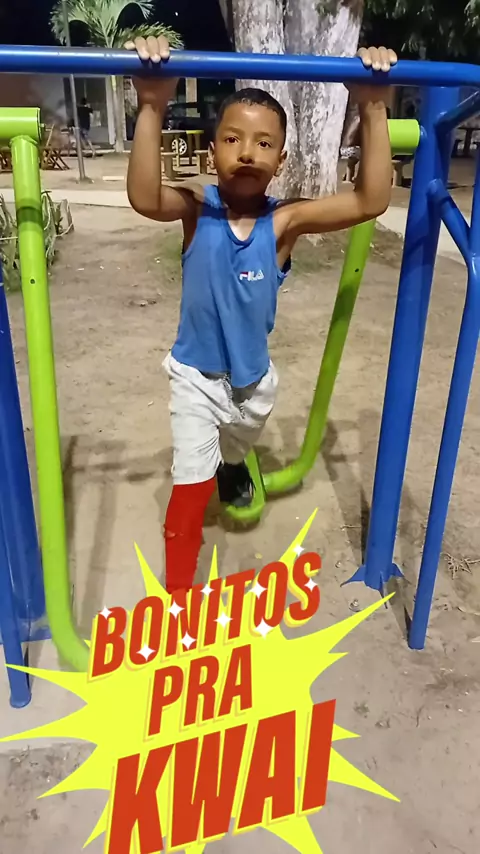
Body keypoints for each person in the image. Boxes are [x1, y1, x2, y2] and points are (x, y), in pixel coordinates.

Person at [125, 35, 397, 595]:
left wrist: (372, 107)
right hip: (195, 380)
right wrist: (152, 104)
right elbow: (144, 197)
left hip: (253, 384)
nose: (247, 152)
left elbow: (370, 200)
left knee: (238, 445)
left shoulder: (285, 224)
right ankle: (178, 601)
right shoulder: (196, 210)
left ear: (281, 161)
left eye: (264, 143)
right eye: (232, 139)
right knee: (188, 493)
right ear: (212, 152)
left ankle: (232, 465)